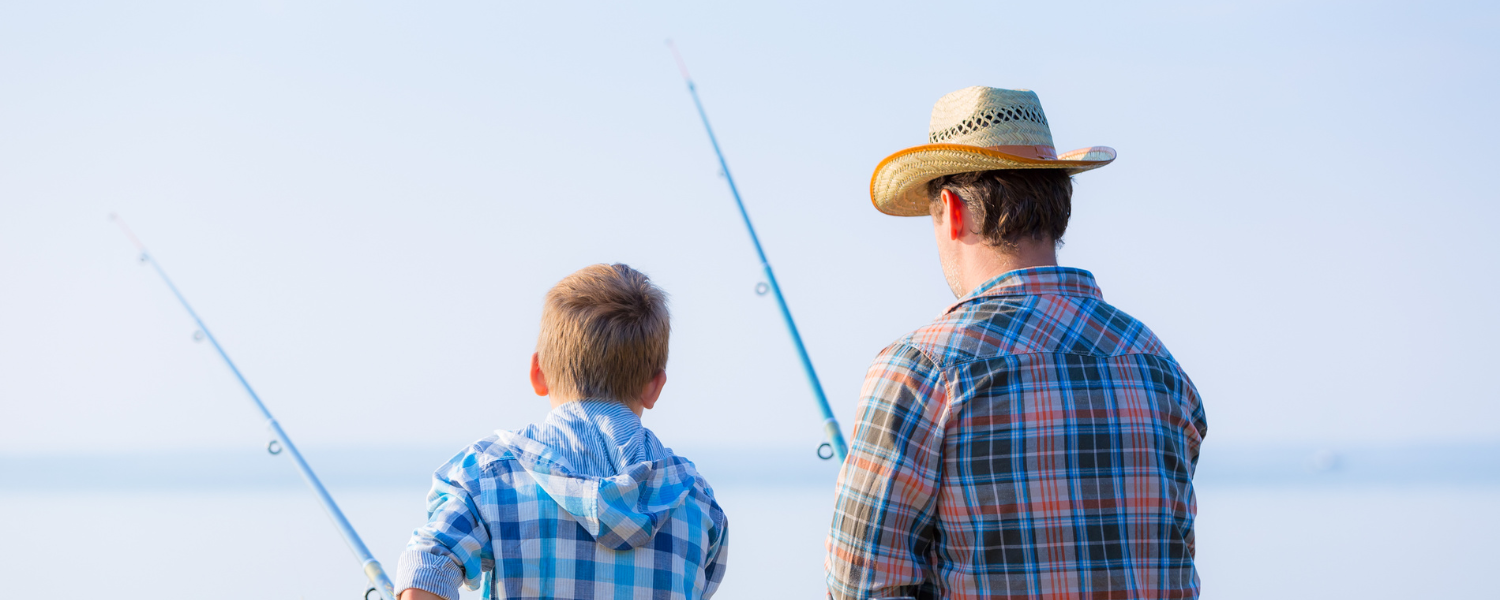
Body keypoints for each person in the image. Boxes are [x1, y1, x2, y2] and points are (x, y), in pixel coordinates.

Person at [826, 87, 1207, 599]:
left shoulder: (921, 369)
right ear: (1058, 203)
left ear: (952, 209)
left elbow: (861, 587)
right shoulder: (1160, 369)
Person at [395, 264, 728, 600]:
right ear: (654, 387)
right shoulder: (696, 501)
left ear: (538, 373)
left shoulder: (489, 475)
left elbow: (425, 574)